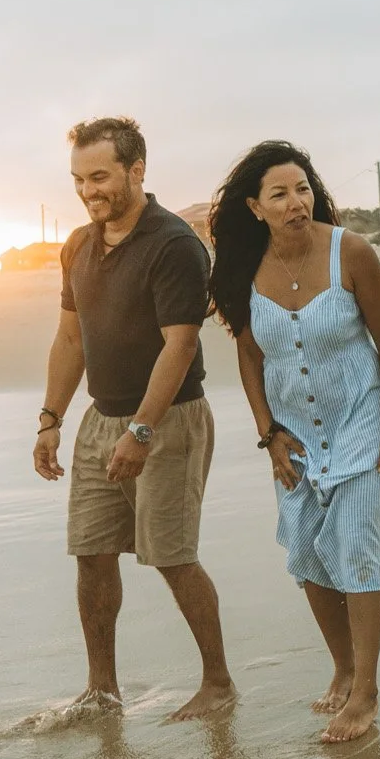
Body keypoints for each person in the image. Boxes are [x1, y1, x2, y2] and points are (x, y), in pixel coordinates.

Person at [32, 116, 235, 723]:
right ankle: (102, 691)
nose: (88, 190)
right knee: (91, 556)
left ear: (136, 170)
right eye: (78, 179)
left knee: (172, 556)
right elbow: (70, 339)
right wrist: (50, 420)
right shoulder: (78, 245)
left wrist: (141, 431)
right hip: (100, 419)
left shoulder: (174, 244)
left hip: (168, 421)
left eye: (100, 176)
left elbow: (181, 346)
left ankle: (218, 683)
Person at [208, 141, 380, 745]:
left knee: (358, 548)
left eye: (302, 189)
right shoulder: (244, 268)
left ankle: (366, 692)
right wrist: (268, 432)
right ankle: (343, 668)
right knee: (310, 554)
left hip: (360, 424)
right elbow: (248, 355)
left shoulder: (351, 252)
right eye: (279, 194)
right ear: (255, 206)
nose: (296, 203)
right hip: (294, 436)